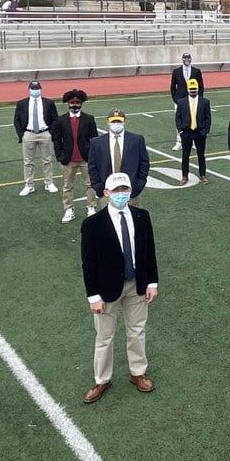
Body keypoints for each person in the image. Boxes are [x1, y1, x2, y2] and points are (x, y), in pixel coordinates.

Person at [80, 172, 158, 404]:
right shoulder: (92, 224)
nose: (121, 194)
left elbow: (149, 252)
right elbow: (88, 263)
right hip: (106, 290)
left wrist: (152, 282)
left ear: (130, 191)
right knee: (104, 336)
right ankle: (102, 379)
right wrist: (93, 296)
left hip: (137, 284)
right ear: (105, 193)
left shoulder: (142, 216)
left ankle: (138, 372)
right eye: (116, 191)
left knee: (137, 331)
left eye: (124, 190)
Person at [52, 89, 98, 224]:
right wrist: (60, 156)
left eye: (77, 102)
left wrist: (93, 155)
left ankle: (91, 207)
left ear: (82, 104)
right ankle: (68, 209)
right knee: (67, 186)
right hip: (68, 159)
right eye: (72, 102)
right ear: (68, 104)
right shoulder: (60, 120)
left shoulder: (89, 118)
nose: (75, 105)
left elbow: (94, 138)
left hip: (86, 159)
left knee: (90, 184)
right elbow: (56, 140)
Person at [87, 109, 149, 206]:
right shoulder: (97, 142)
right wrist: (99, 187)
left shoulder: (137, 140)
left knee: (132, 219)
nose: (116, 124)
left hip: (130, 192)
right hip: (107, 193)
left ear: (124, 122)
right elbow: (92, 166)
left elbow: (144, 163)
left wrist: (138, 185)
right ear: (108, 122)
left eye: (119, 121)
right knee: (108, 220)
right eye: (113, 121)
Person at [13, 80, 58, 196]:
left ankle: (49, 182)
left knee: (47, 160)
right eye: (33, 89)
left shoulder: (49, 103)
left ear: (40, 89)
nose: (35, 91)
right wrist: (21, 135)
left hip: (44, 133)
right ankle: (29, 185)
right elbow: (16, 120)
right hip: (29, 134)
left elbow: (55, 119)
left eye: (36, 88)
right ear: (29, 90)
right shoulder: (21, 103)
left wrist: (50, 133)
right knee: (28, 161)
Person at [175, 78, 211, 185]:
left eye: (194, 89)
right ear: (187, 89)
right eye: (191, 89)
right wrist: (180, 131)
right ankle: (184, 176)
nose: (193, 91)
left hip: (200, 132)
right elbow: (178, 118)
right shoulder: (181, 102)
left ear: (198, 89)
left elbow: (208, 118)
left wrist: (206, 131)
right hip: (186, 132)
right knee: (185, 156)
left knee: (201, 155)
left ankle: (202, 175)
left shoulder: (205, 102)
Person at [169, 52, 205, 150]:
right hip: (180, 101)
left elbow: (201, 86)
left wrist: (199, 99)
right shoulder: (176, 71)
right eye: (185, 58)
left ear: (191, 59)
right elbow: (172, 87)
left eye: (188, 57)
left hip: (193, 99)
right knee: (179, 121)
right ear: (182, 59)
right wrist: (176, 99)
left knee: (194, 119)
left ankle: (193, 141)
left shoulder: (196, 71)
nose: (187, 59)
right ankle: (179, 141)